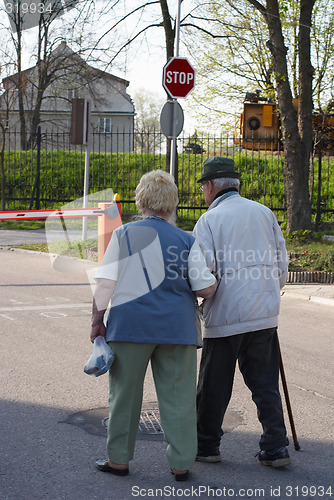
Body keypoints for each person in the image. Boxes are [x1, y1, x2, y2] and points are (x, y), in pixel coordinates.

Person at [90, 169, 217, 481]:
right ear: (172, 203)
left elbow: (105, 284)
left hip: (129, 327)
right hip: (177, 330)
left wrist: (96, 321)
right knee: (179, 400)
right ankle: (181, 464)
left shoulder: (123, 235)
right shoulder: (187, 240)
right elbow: (203, 288)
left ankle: (118, 459)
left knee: (124, 396)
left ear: (141, 200)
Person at [194, 156, 291, 468]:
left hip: (225, 316)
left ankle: (207, 446)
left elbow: (202, 273)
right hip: (264, 312)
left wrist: (201, 301)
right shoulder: (264, 212)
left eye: (203, 187)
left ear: (210, 186)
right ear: (235, 184)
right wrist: (268, 294)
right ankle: (276, 447)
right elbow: (282, 262)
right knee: (265, 384)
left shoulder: (209, 221)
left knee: (214, 386)